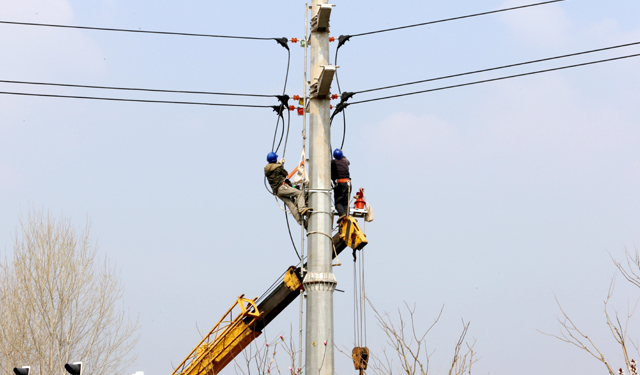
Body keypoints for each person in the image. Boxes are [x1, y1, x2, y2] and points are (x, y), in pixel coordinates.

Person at [264, 151, 310, 225]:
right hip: (282, 187)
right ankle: (302, 208)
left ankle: (301, 222)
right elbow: (285, 173)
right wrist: (280, 164)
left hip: (277, 192)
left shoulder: (266, 170)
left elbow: (274, 170)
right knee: (299, 193)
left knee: (290, 205)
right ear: (275, 159)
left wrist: (279, 164)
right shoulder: (278, 167)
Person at [331, 148, 350, 221]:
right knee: (345, 203)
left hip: (340, 184)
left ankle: (342, 215)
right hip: (348, 184)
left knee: (338, 202)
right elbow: (348, 162)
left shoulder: (333, 162)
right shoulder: (345, 161)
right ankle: (346, 216)